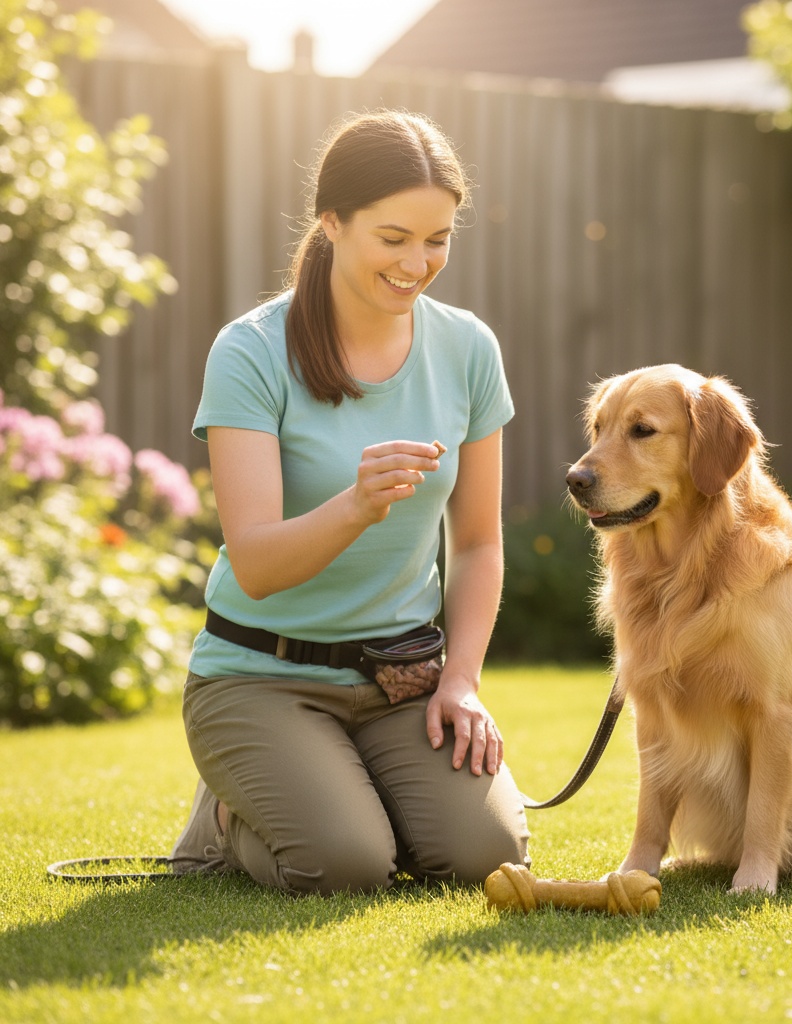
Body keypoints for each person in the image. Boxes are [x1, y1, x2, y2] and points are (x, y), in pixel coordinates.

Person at [169, 110, 530, 895]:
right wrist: (355, 506)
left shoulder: (468, 349)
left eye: (437, 239)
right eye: (393, 237)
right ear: (331, 222)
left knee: (485, 856)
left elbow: (477, 544)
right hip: (259, 676)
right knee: (346, 864)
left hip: (403, 681)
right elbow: (258, 564)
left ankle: (346, 788)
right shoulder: (252, 351)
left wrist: (460, 680)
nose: (418, 262)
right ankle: (228, 822)